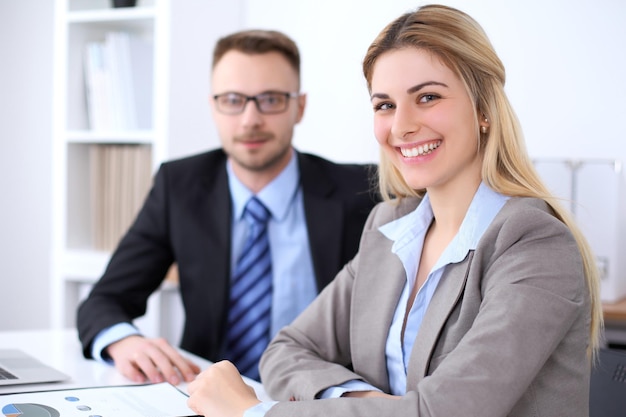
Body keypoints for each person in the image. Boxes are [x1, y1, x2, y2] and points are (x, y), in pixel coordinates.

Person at [186, 4, 603, 417]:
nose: (401, 125)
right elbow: (285, 351)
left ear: (483, 110)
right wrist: (364, 401)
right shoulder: (388, 228)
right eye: (385, 105)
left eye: (427, 97)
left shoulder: (534, 244)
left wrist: (250, 413)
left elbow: (442, 413)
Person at [77, 29, 378, 384]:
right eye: (233, 100)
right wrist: (124, 341)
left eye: (270, 99)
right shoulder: (180, 185)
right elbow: (104, 299)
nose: (250, 119)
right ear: (214, 107)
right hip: (204, 393)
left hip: (317, 398)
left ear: (299, 107)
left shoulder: (363, 191)